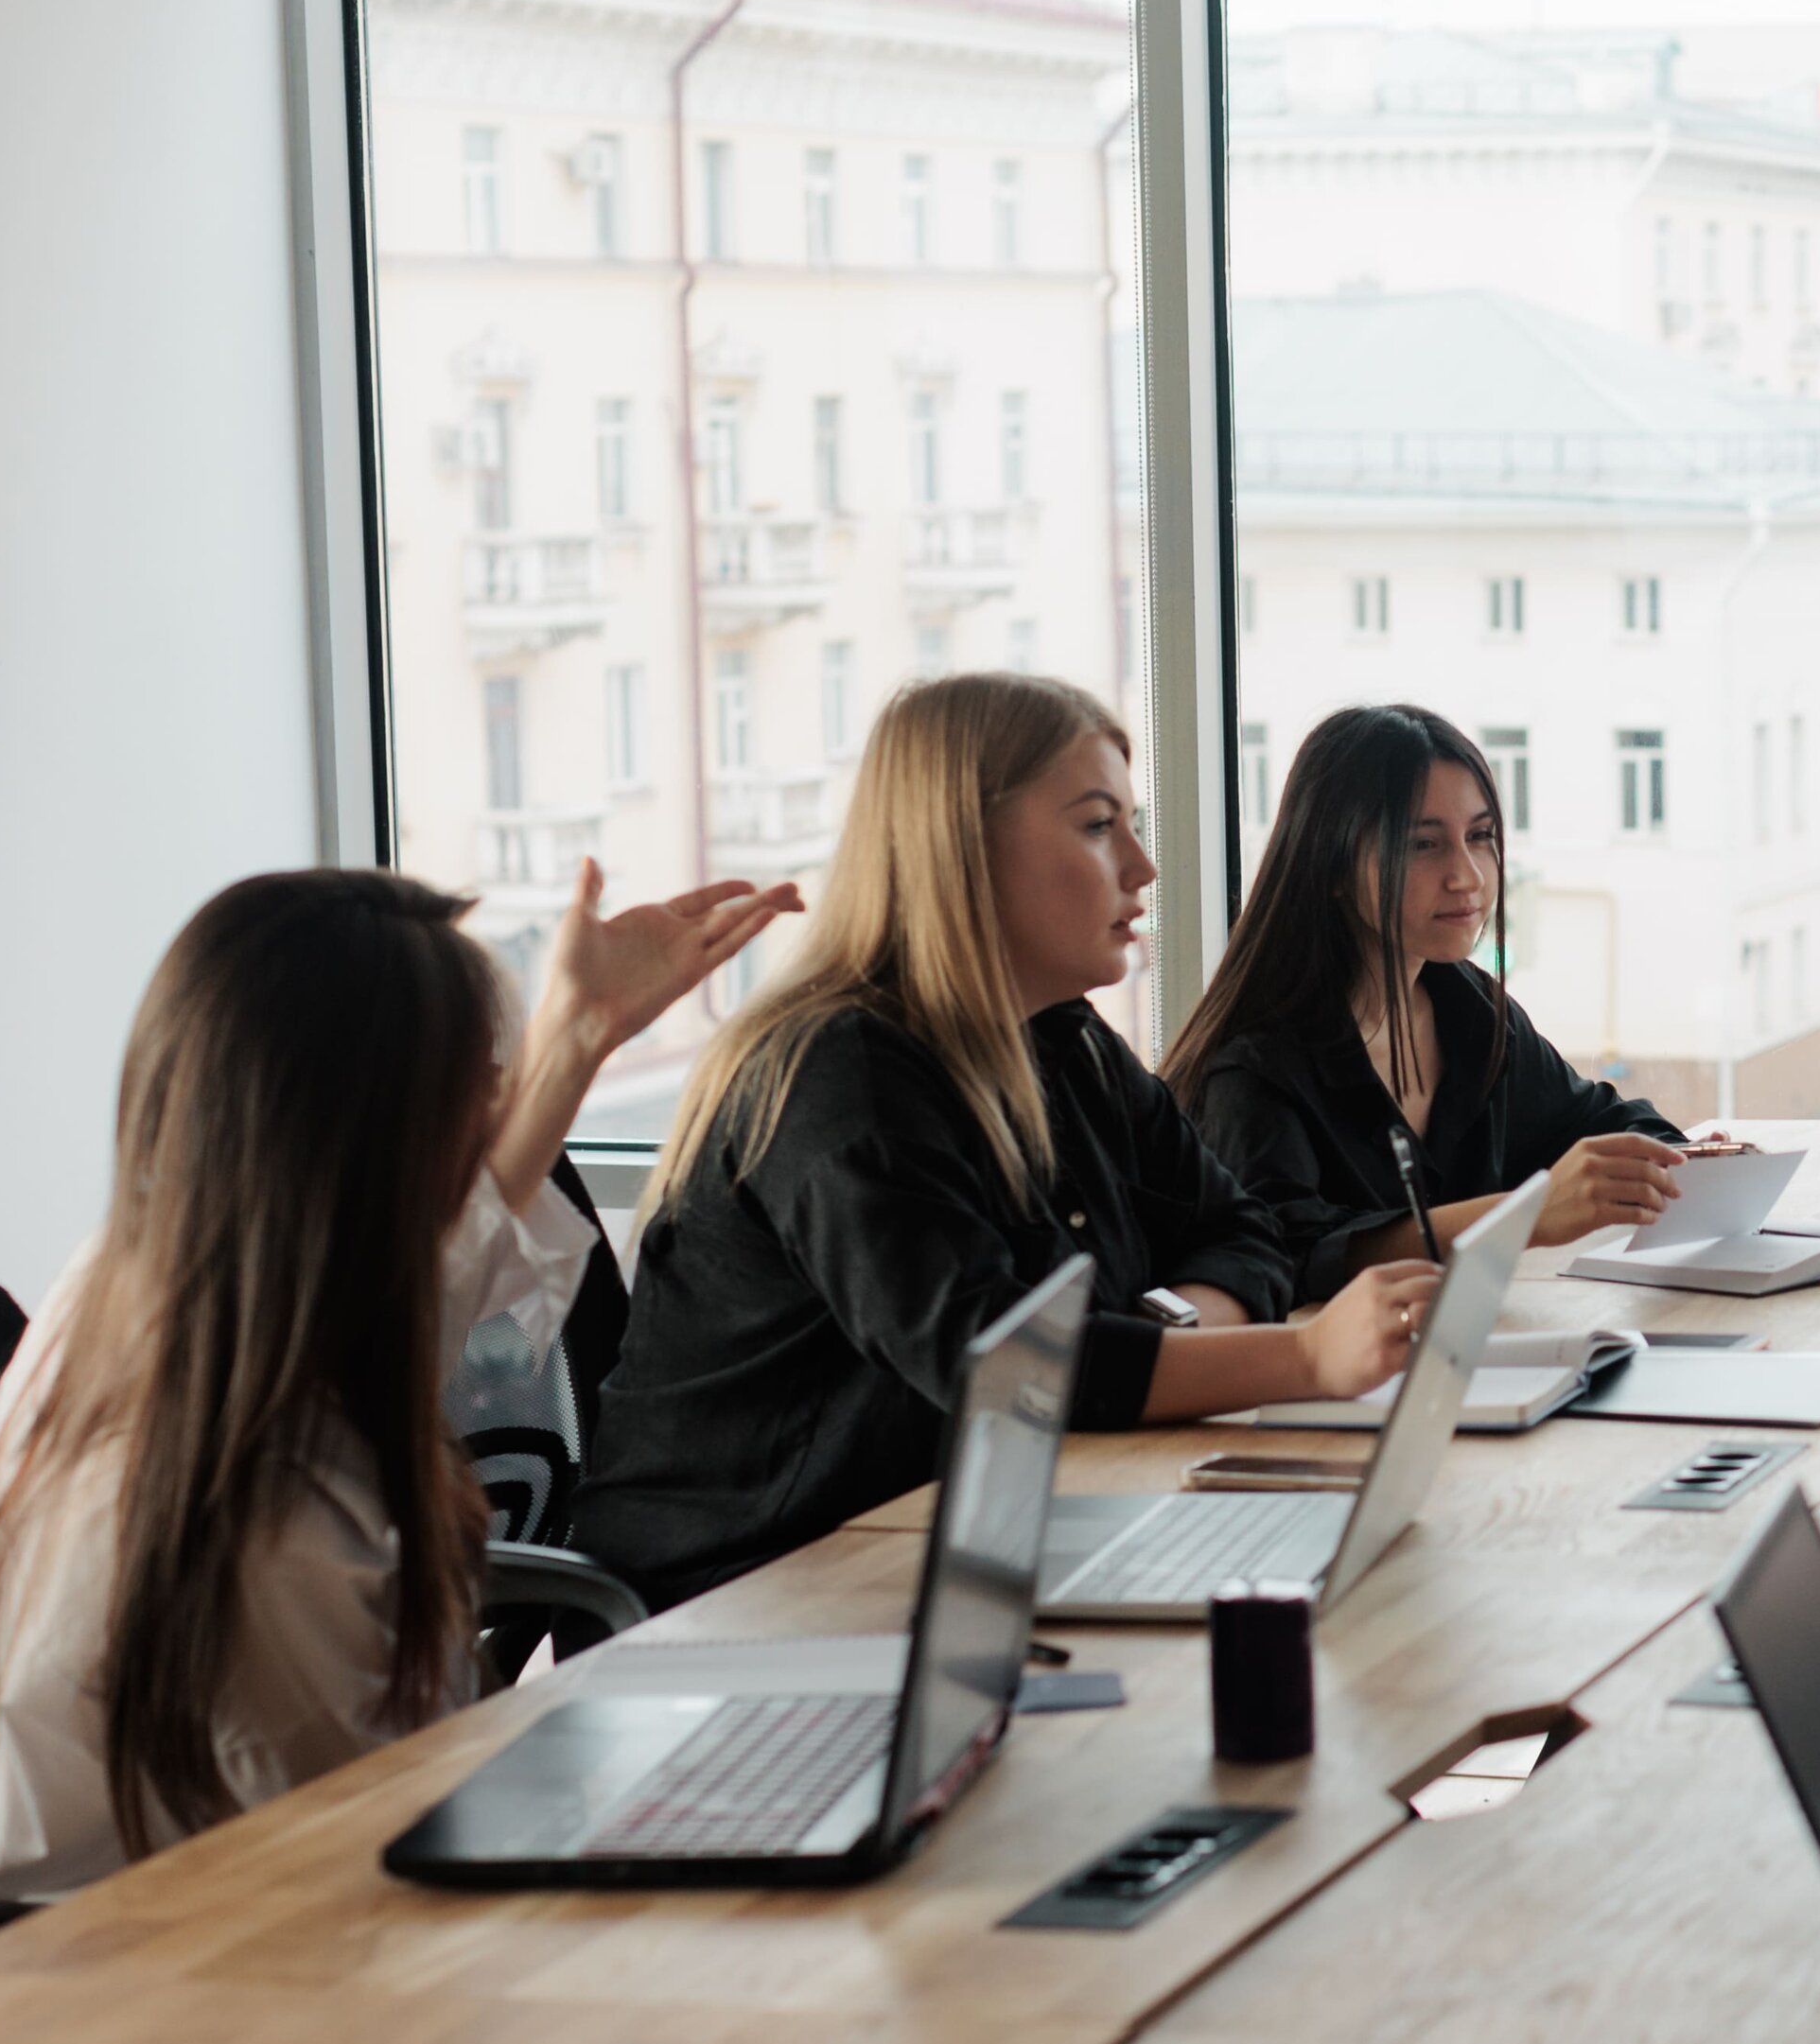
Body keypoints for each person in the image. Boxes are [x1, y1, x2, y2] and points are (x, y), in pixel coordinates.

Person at [0, 862, 796, 1896]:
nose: (499, 1104)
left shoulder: (176, 1285)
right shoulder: (260, 1512)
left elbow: (460, 1242)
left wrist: (581, 1029)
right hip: (171, 1981)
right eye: (474, 1088)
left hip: (269, 1903)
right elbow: (387, 1845)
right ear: (371, 1150)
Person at [575, 674, 1443, 1604]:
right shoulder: (840, 1074)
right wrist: (1304, 1359)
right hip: (746, 1598)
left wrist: (1150, 1337)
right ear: (964, 848)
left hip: (975, 1539)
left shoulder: (1063, 1043)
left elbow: (1242, 1232)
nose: (1142, 868)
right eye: (1099, 825)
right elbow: (1006, 1375)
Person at [1169, 705, 1687, 1296]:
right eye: (1423, 845)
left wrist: (1691, 1166)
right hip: (1325, 1386)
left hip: (1471, 1359)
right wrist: (1525, 1214)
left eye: (1480, 836)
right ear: (1333, 863)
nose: (1466, 875)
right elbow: (1289, 1257)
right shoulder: (1254, 1067)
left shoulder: (1468, 1007)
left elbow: (1597, 1124)